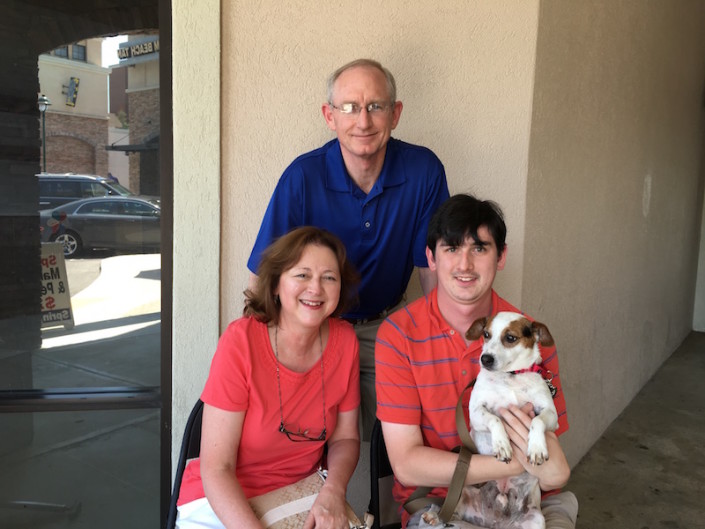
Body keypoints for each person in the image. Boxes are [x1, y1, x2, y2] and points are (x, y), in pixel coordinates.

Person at [248, 58, 450, 439]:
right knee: (297, 437)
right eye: (350, 108)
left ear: (396, 113)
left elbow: (433, 269)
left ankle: (404, 500)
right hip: (313, 327)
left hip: (384, 327)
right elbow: (267, 273)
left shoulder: (423, 170)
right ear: (330, 116)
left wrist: (440, 345)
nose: (363, 121)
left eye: (376, 106)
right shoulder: (302, 177)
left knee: (404, 438)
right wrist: (256, 351)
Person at [375, 194, 578, 528]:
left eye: (480, 248)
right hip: (443, 500)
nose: (465, 264)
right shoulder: (399, 335)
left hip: (528, 497)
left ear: (501, 257)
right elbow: (408, 466)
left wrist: (548, 469)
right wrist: (515, 464)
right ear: (431, 257)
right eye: (452, 248)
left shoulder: (529, 340)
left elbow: (553, 468)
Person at [177, 226, 361, 529]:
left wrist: (334, 489)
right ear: (275, 284)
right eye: (302, 275)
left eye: (329, 277)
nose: (316, 288)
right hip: (222, 502)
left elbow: (346, 438)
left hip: (300, 494)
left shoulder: (345, 341)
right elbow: (217, 468)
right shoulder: (241, 341)